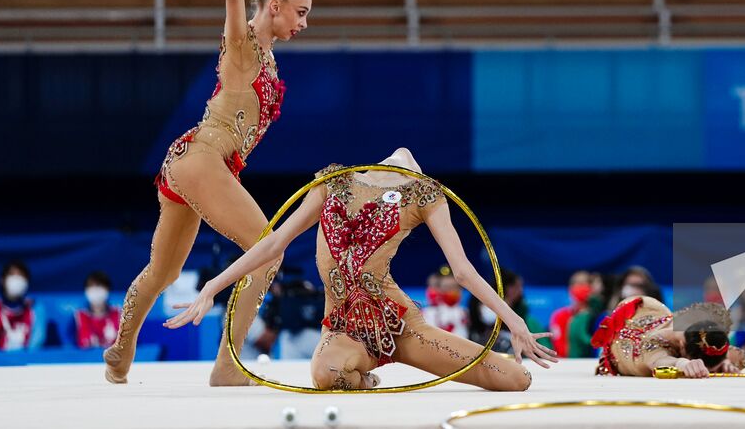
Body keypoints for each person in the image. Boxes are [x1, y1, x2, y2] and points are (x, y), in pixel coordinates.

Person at [105, 0, 343, 386]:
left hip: (194, 162)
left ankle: (120, 351)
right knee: (268, 250)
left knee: (163, 271)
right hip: (204, 160)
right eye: (299, 13)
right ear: (273, 8)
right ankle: (228, 364)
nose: (304, 21)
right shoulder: (243, 42)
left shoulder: (270, 45)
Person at [164, 148, 554, 390]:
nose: (402, 158)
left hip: (403, 327)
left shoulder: (423, 193)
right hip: (343, 329)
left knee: (515, 380)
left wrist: (513, 323)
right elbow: (272, 243)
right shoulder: (334, 183)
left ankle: (383, 364)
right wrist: (212, 285)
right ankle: (365, 375)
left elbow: (464, 271)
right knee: (327, 375)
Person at [591, 294, 745, 378]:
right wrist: (682, 364)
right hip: (622, 349)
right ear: (682, 349)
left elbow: (734, 356)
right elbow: (659, 361)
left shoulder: (649, 306)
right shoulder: (651, 347)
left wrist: (724, 360)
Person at [0, 260, 48, 351]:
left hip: (29, 362)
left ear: (27, 281)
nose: (16, 279)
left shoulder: (36, 309)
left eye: (21, 275)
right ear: (2, 280)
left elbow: (37, 343)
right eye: (11, 274)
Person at [549, 271, 593, 357]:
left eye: (585, 284)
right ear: (570, 288)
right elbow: (557, 343)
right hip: (565, 363)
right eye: (578, 284)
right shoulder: (559, 316)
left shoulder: (594, 316)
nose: (581, 287)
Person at [74, 271, 120, 350]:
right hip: (85, 361)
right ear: (86, 291)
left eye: (99, 286)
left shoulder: (119, 314)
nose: (95, 291)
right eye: (91, 287)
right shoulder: (78, 316)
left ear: (107, 290)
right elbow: (73, 346)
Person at [422, 267, 469, 337]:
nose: (451, 291)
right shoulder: (428, 313)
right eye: (447, 287)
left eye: (454, 287)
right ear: (440, 290)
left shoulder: (465, 312)